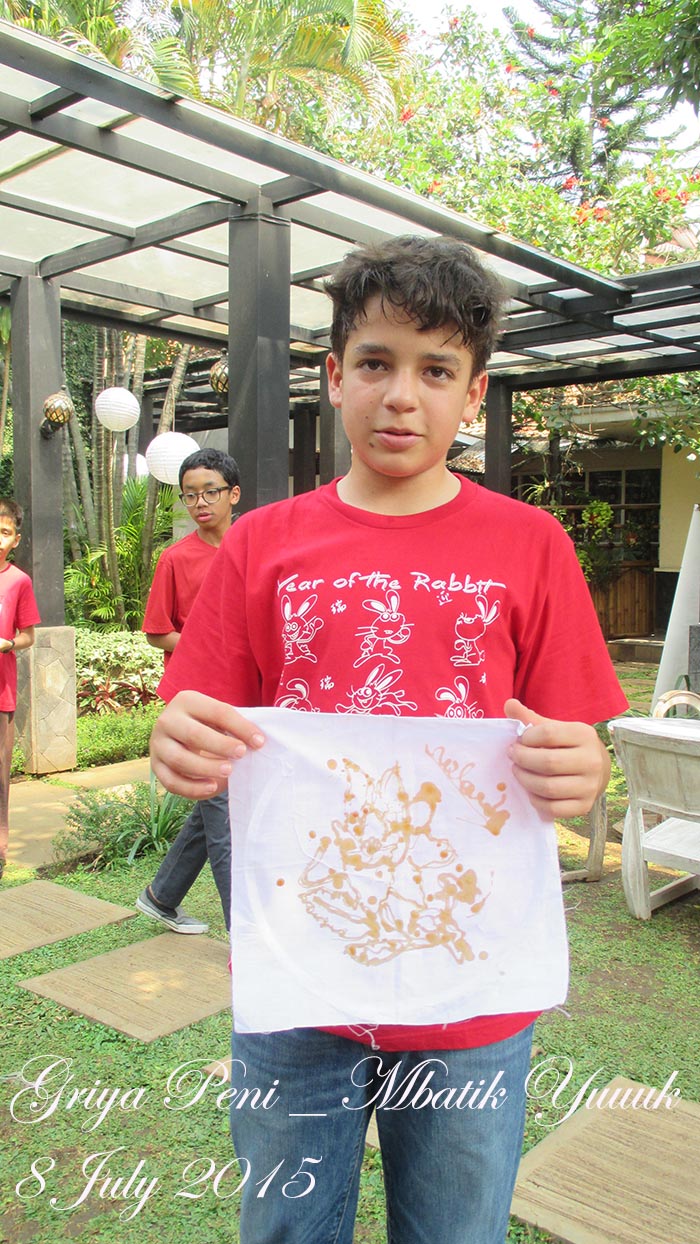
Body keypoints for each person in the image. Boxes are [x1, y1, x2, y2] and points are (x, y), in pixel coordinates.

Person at [149, 235, 628, 1244]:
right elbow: (196, 717)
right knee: (287, 1228)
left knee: (454, 1228)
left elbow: (574, 746)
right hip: (299, 979)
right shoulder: (262, 542)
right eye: (375, 362)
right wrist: (176, 740)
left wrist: (582, 769)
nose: (401, 396)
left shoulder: (531, 544)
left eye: (435, 370)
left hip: (471, 991)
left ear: (474, 392)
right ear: (334, 376)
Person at [135, 447, 240, 933]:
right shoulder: (176, 559)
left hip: (247, 698)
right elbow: (157, 632)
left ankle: (161, 896)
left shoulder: (252, 547)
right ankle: (246, 934)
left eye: (210, 492)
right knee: (225, 819)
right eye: (190, 495)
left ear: (233, 494)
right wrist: (211, 644)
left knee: (214, 803)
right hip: (196, 704)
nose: (200, 503)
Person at [0, 498, 40, 880]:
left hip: (1, 694)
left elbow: (28, 635)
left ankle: (0, 850)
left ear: (16, 539)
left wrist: (9, 644)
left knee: (0, 775)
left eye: (5, 532)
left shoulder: (19, 581)